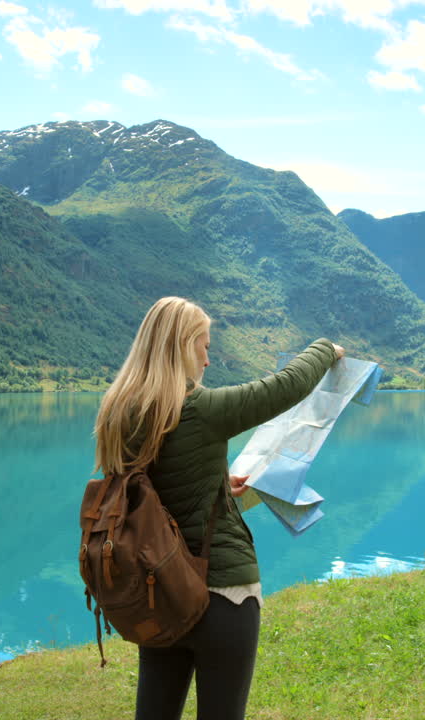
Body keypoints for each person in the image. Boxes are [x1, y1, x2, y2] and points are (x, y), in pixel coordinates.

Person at [93, 296, 344, 720]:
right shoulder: (200, 410)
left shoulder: (119, 415)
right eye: (204, 346)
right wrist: (326, 349)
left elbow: (147, 492)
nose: (207, 360)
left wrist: (215, 482)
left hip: (158, 595)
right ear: (182, 345)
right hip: (222, 596)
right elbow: (287, 386)